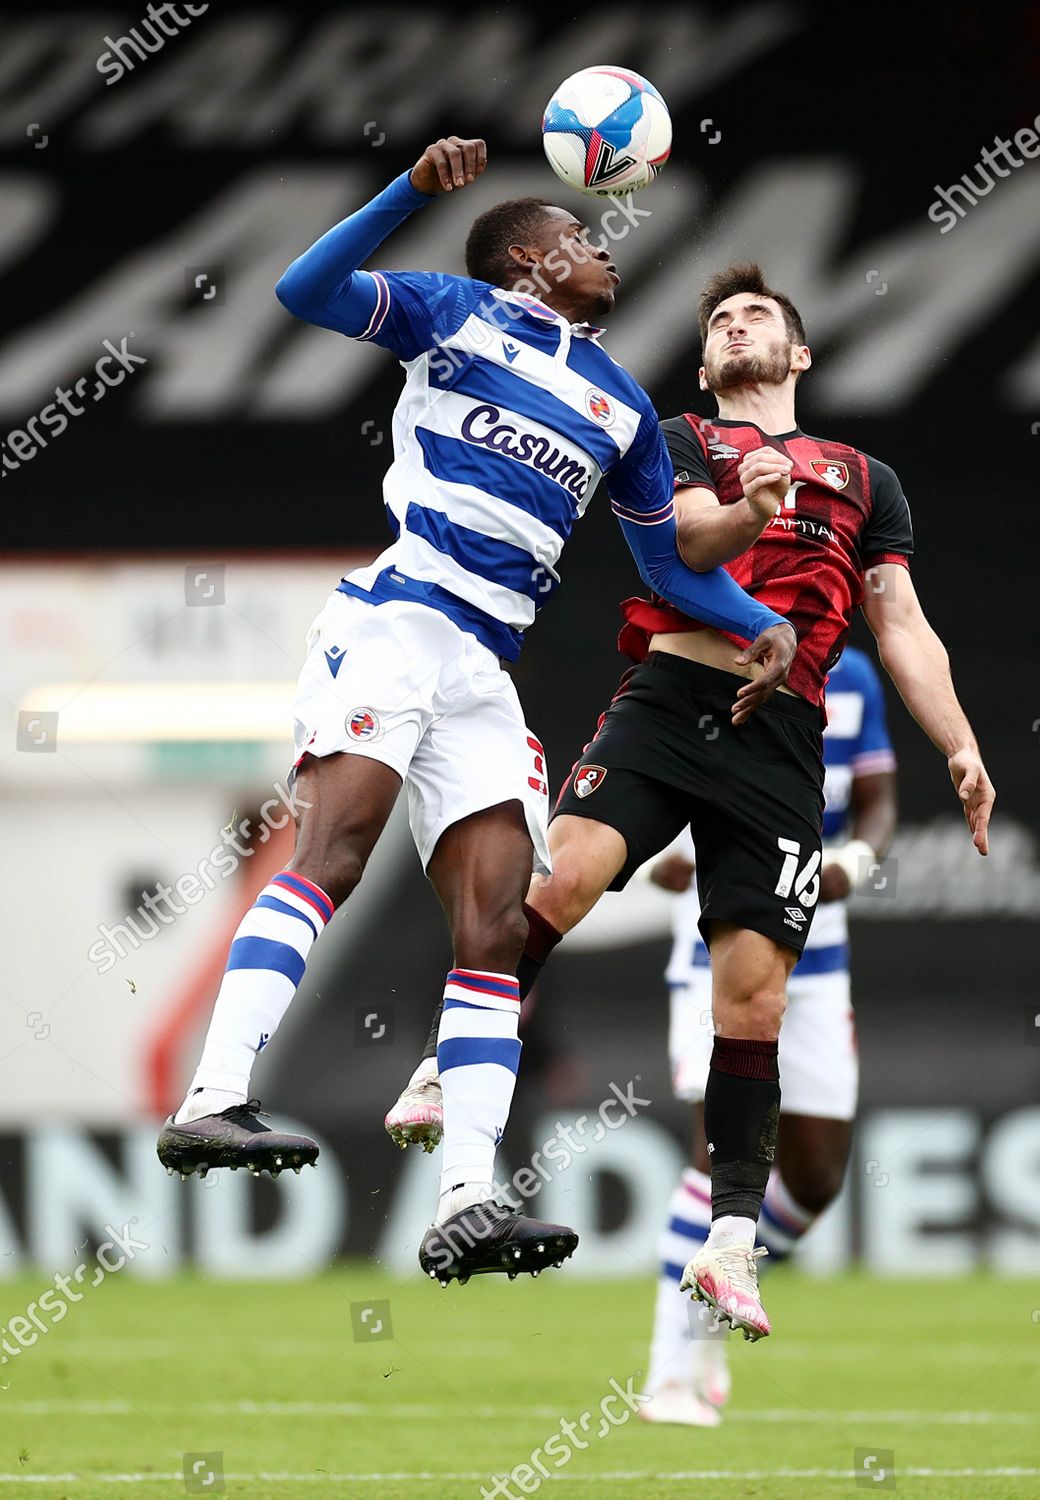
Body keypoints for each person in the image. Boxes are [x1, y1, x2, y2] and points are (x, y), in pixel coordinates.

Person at [155, 147, 796, 1289]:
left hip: (482, 668)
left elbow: (667, 565)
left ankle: (466, 1198)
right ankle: (213, 1099)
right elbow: (303, 293)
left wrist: (756, 614)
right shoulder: (453, 313)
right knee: (336, 853)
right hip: (397, 618)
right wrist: (409, 195)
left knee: (498, 926)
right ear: (526, 260)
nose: (604, 250)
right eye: (580, 238)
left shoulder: (625, 406)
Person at [388, 262, 994, 1326]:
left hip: (784, 744)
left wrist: (960, 741)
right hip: (671, 702)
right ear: (707, 361)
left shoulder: (864, 476)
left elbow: (897, 622)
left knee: (753, 997)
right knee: (563, 879)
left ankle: (728, 1246)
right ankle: (451, 1061)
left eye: (755, 315)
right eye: (718, 322)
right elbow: (682, 549)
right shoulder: (678, 442)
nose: (734, 327)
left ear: (797, 353)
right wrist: (752, 515)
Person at [640, 645, 897, 1425]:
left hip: (818, 960)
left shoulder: (852, 677)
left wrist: (858, 857)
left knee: (815, 1178)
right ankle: (670, 1374)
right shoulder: (706, 659)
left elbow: (880, 804)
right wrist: (672, 848)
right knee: (719, 1155)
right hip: (718, 952)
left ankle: (723, 1292)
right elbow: (663, 783)